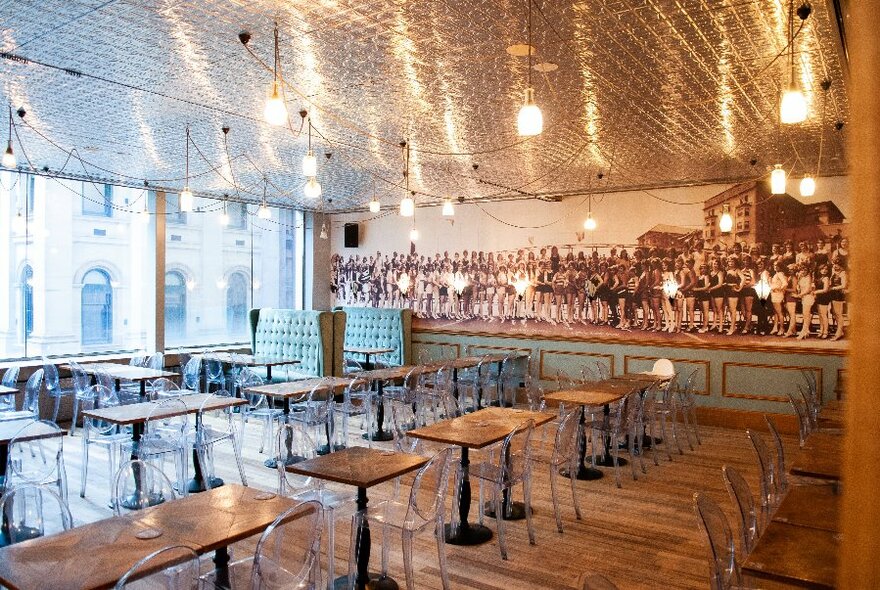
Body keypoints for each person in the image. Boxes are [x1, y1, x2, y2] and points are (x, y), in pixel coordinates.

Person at [796, 264, 816, 340]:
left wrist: (799, 295)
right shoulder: (801, 277)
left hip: (808, 297)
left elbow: (808, 290)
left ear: (808, 271)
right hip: (804, 297)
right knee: (805, 315)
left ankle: (803, 332)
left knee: (806, 315)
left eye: (805, 270)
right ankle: (806, 331)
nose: (803, 271)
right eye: (802, 270)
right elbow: (799, 287)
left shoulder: (809, 278)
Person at [829, 258, 848, 340]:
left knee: (838, 314)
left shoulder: (843, 273)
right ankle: (840, 331)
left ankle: (839, 332)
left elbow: (844, 285)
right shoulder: (834, 272)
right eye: (834, 264)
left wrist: (833, 288)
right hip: (833, 294)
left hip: (838, 294)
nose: (835, 266)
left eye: (837, 264)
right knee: (834, 313)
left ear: (841, 265)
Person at [813, 263, 832, 339]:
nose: (824, 271)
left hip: (824, 298)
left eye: (826, 269)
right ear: (820, 270)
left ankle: (826, 331)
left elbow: (825, 290)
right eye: (822, 269)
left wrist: (815, 292)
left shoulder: (826, 278)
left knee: (824, 315)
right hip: (819, 297)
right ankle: (821, 330)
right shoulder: (820, 278)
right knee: (820, 315)